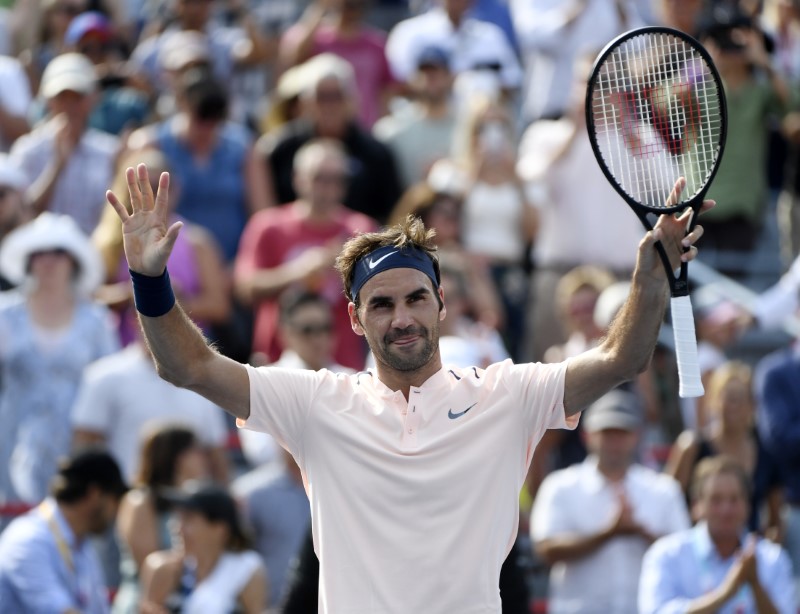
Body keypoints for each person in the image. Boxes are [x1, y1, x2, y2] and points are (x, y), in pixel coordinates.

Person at [105, 161, 709, 613]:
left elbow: (621, 358)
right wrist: (150, 279)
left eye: (417, 298)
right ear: (354, 317)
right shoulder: (316, 403)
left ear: (442, 304)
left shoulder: (507, 393)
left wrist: (648, 275)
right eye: (382, 303)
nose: (402, 317)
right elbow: (189, 367)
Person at [530, 389, 690, 614]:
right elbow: (546, 550)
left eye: (621, 433)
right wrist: (610, 532)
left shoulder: (663, 490)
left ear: (636, 436)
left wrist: (638, 532)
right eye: (607, 433)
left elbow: (684, 555)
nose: (614, 442)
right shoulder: (560, 486)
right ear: (588, 436)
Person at [0, 212, 118, 508]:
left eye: (58, 253)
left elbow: (110, 385)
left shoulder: (96, 320)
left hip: (77, 444)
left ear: (73, 262)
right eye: (39, 253)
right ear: (29, 261)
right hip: (11, 440)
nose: (48, 261)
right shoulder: (5, 315)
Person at [234, 138, 377, 371]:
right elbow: (245, 289)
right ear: (298, 178)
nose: (329, 187)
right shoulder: (269, 226)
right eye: (319, 177)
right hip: (278, 361)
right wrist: (297, 272)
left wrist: (347, 272)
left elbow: (378, 293)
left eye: (338, 179)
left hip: (342, 364)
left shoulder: (360, 229)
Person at [257, 52, 402, 224]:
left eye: (336, 96)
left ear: (351, 101)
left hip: (361, 243)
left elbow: (391, 215)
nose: (329, 106)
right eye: (322, 97)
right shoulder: (280, 149)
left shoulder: (376, 153)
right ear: (306, 103)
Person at [639, 456, 796, 614]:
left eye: (734, 499)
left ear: (748, 505)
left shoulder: (772, 558)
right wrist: (726, 593)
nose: (726, 510)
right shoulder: (667, 554)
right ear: (696, 506)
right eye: (716, 500)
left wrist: (755, 584)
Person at [0, 448, 128, 614]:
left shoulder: (81, 542)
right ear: (94, 493)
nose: (118, 510)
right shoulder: (28, 539)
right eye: (116, 499)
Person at [665, 361, 783, 538]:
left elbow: (775, 519)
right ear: (713, 401)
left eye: (740, 398)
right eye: (727, 397)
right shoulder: (692, 447)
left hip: (745, 550)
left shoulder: (767, 453)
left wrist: (760, 552)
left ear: (753, 405)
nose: (733, 405)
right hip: (696, 550)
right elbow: (667, 504)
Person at [10, 52, 119, 235]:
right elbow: (20, 213)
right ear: (48, 101)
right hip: (38, 254)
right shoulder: (27, 150)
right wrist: (57, 166)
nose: (69, 106)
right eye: (62, 97)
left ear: (92, 99)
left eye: (77, 97)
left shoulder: (110, 152)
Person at [112, 425, 212, 614]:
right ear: (178, 457)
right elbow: (149, 568)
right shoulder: (140, 502)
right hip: (144, 604)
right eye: (197, 451)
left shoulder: (195, 502)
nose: (205, 458)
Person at [138, 480, 267, 614]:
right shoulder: (162, 569)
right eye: (178, 518)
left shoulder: (247, 569)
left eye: (188, 519)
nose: (177, 528)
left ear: (220, 529)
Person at [280, 0, 396, 129]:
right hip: (319, 129)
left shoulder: (376, 44)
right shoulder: (317, 39)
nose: (349, 9)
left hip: (364, 130)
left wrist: (382, 126)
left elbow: (385, 92)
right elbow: (293, 58)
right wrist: (320, 8)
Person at [373, 44, 457, 190]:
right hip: (408, 210)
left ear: (450, 77)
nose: (430, 78)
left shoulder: (468, 125)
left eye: (436, 72)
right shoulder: (393, 130)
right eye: (424, 72)